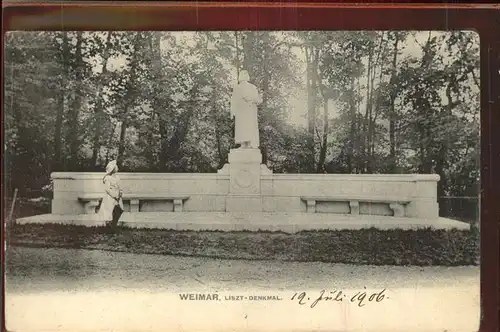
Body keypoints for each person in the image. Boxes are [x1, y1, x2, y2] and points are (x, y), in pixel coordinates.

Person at [230, 70, 262, 149]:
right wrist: (233, 111)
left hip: (248, 110)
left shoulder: (251, 87)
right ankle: (244, 144)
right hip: (242, 110)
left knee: (248, 126)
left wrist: (251, 100)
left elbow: (258, 100)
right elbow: (234, 100)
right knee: (243, 126)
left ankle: (248, 144)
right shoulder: (238, 88)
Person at [97, 160, 124, 227]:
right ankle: (110, 226)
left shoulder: (117, 177)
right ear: (113, 168)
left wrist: (120, 192)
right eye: (116, 166)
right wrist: (114, 196)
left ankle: (113, 224)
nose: (117, 167)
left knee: (119, 210)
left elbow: (120, 186)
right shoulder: (107, 178)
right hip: (110, 197)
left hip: (117, 196)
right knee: (110, 211)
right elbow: (107, 189)